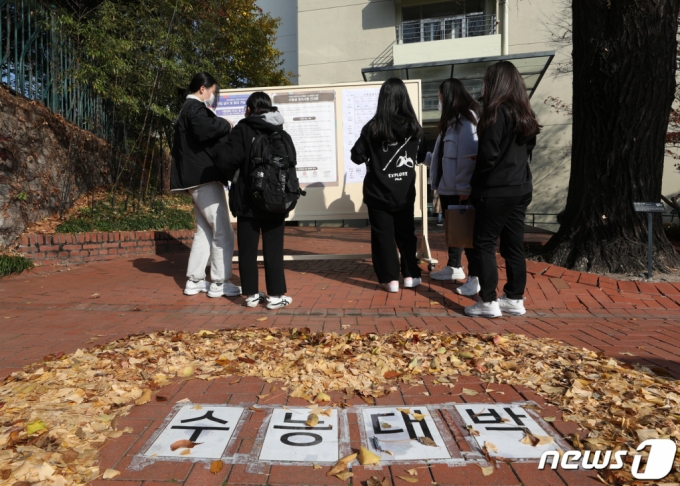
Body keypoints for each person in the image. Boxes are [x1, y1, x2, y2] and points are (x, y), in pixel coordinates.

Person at [464, 61, 540, 318]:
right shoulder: (526, 115)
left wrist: (475, 184)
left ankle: (487, 302)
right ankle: (514, 298)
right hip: (520, 188)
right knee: (513, 244)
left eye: (487, 80)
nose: (484, 85)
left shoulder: (494, 113)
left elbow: (488, 157)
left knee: (484, 244)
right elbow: (526, 151)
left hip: (495, 189)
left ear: (495, 83)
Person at [215, 92, 295, 310]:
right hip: (275, 200)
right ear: (269, 108)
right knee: (274, 249)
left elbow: (227, 159)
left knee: (248, 250)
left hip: (247, 200)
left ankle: (250, 295)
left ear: (249, 109)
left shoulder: (242, 129)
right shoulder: (280, 131)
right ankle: (276, 296)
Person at [351, 78, 427, 293]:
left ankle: (390, 279)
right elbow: (421, 156)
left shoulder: (373, 127)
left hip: (377, 193)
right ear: (404, 98)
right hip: (404, 191)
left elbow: (356, 156)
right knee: (406, 233)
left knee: (383, 236)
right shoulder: (414, 127)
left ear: (383, 99)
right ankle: (411, 275)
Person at [171, 72, 241, 299]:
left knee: (205, 231)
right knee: (224, 231)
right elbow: (206, 129)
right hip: (204, 178)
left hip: (195, 179)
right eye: (212, 90)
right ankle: (220, 282)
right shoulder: (195, 109)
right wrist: (225, 123)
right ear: (202, 89)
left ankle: (195, 280)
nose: (213, 95)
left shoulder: (187, 110)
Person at [424, 78, 482, 296]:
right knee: (456, 233)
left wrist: (464, 189)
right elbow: (444, 158)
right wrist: (426, 158)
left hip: (459, 191)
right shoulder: (451, 122)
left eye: (440, 97)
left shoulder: (466, 121)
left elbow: (468, 157)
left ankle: (475, 278)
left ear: (449, 97)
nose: (439, 102)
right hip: (449, 189)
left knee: (467, 236)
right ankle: (454, 267)